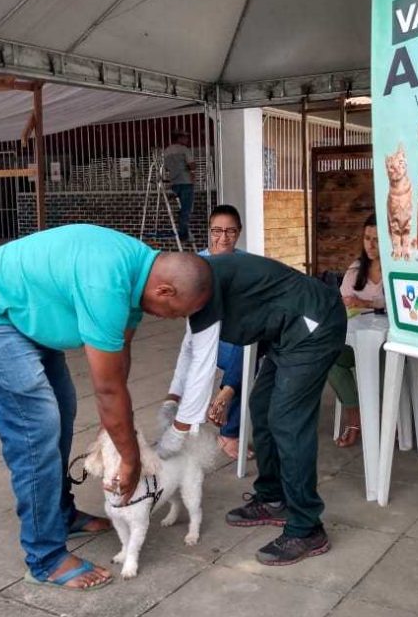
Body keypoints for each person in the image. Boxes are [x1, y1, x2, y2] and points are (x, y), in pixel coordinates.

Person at [0, 225, 211, 591]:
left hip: (19, 317)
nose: (171, 319)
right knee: (36, 428)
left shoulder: (137, 274)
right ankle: (45, 557)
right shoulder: (108, 284)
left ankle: (60, 514)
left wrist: (116, 428)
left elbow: (118, 361)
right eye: (176, 312)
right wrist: (129, 459)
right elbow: (107, 389)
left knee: (62, 408)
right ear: (164, 290)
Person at [158, 252, 347, 565]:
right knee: (261, 406)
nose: (165, 316)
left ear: (169, 290)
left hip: (314, 324)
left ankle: (307, 526)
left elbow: (202, 366)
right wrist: (172, 399)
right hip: (284, 333)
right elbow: (190, 349)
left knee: (287, 419)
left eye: (161, 308)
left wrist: (177, 432)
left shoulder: (203, 288)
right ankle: (274, 498)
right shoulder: (195, 283)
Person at [162, 204, 248, 461]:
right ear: (209, 232)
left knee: (250, 350)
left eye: (231, 232)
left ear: (239, 232)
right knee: (245, 361)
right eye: (217, 231)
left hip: (237, 338)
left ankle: (225, 397)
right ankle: (229, 429)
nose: (223, 238)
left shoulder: (245, 263)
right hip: (207, 340)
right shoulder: (196, 266)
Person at [328, 215, 385, 448]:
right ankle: (355, 417)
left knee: (377, 361)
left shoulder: (396, 270)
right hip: (356, 338)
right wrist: (349, 303)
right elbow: (342, 301)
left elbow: (403, 305)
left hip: (387, 344)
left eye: (378, 240)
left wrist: (366, 304)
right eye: (367, 238)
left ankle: (382, 418)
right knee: (329, 356)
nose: (371, 244)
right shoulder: (355, 269)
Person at [163, 129, 195, 245]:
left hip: (174, 183)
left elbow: (166, 167)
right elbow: (192, 165)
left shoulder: (167, 151)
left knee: (178, 209)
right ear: (179, 138)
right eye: (185, 137)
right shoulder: (184, 150)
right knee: (186, 210)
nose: (187, 140)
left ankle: (180, 229)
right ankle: (183, 235)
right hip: (186, 182)